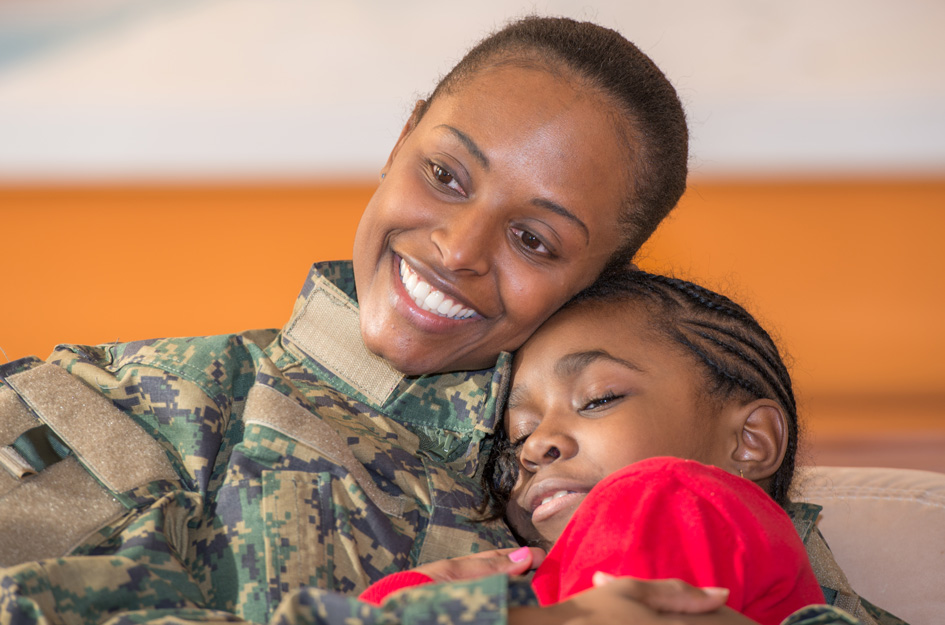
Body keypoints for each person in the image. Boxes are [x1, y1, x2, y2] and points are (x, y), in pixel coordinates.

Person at [0, 15, 889, 625]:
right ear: (402, 140)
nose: (459, 247)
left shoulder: (639, 470)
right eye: (446, 175)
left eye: (535, 239)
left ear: (594, 277)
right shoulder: (131, 402)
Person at [358, 268, 828, 625]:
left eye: (599, 399)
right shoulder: (551, 583)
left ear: (749, 441)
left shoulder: (670, 495)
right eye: (518, 436)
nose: (535, 446)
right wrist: (411, 596)